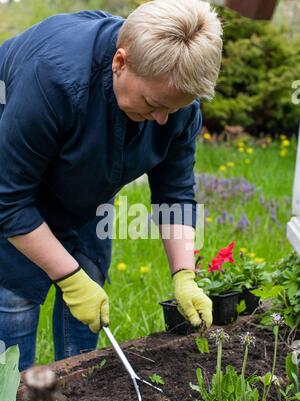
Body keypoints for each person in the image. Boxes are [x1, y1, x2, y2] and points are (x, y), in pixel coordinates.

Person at [0, 0, 223, 371]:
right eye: (153, 103)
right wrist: (67, 278)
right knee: (16, 298)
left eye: (175, 108)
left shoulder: (174, 100)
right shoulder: (55, 78)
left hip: (87, 187)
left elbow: (176, 193)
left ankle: (76, 398)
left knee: (89, 279)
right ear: (120, 63)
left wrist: (184, 276)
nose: (162, 118)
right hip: (13, 177)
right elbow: (8, 200)